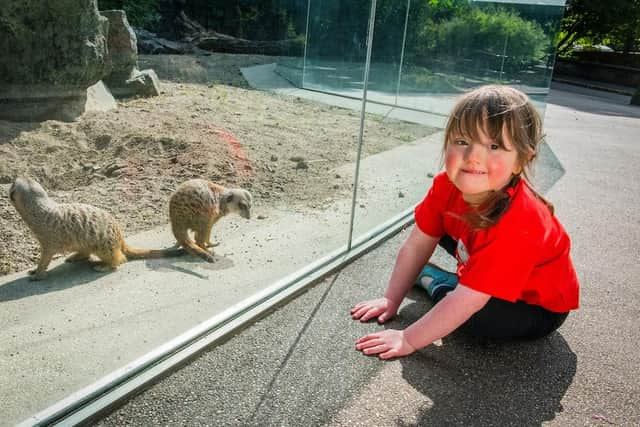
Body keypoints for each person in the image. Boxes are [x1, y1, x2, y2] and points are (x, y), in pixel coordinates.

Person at [350, 85, 579, 359]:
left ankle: (442, 282)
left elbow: (470, 301)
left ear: (521, 160)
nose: (473, 156)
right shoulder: (445, 185)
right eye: (462, 141)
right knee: (443, 245)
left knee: (467, 315)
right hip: (485, 260)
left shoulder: (522, 222)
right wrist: (391, 299)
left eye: (494, 146)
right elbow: (416, 245)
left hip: (533, 307)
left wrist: (408, 339)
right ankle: (461, 281)